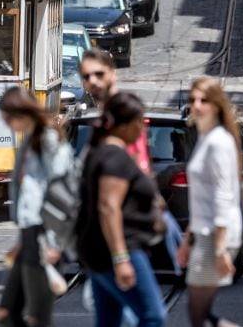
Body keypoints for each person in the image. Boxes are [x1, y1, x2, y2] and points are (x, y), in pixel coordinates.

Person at [77, 92, 166, 327]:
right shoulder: (114, 157)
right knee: (152, 316)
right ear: (125, 124)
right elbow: (108, 207)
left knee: (109, 321)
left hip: (98, 250)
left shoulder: (101, 153)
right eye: (140, 122)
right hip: (120, 248)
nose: (143, 129)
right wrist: (121, 258)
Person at [0, 87, 74, 327]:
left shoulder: (47, 139)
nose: (8, 125)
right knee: (7, 313)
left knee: (36, 317)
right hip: (31, 235)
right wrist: (21, 242)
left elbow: (61, 194)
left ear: (23, 113)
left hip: (44, 236)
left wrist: (55, 243)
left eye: (9, 118)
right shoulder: (31, 138)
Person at [177, 77, 242, 327]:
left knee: (198, 313)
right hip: (205, 233)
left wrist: (220, 249)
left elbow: (223, 197)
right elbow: (201, 200)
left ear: (216, 105)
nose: (197, 105)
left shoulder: (218, 142)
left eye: (204, 100)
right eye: (193, 100)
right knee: (198, 312)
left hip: (216, 236)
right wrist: (186, 239)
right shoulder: (206, 139)